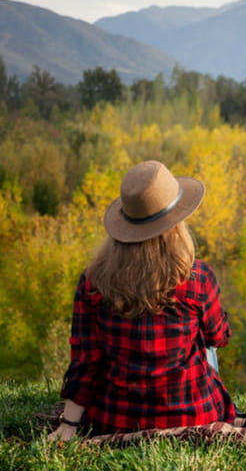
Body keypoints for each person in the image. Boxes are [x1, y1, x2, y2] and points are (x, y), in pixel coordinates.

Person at [48, 160, 235, 441]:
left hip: (116, 419)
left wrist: (69, 424)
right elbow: (219, 338)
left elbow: (86, 360)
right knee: (205, 340)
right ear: (176, 225)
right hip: (193, 417)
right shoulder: (197, 278)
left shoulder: (94, 281)